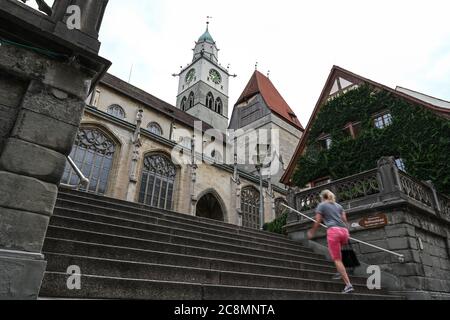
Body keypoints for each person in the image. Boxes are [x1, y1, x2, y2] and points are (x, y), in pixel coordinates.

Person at [307, 190, 354, 294]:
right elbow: (345, 220)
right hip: (344, 231)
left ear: (323, 197)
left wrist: (312, 231)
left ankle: (348, 285)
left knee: (337, 259)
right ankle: (340, 271)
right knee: (340, 255)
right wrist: (347, 231)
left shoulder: (322, 205)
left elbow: (318, 220)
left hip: (334, 231)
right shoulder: (338, 206)